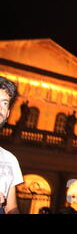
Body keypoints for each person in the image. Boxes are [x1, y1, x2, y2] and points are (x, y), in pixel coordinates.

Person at [0, 76, 24, 214]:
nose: (0, 108)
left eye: (4, 103)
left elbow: (11, 207)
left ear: (8, 113)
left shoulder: (10, 159)